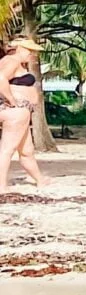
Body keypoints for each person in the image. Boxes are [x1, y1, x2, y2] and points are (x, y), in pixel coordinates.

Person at [0, 36, 45, 193]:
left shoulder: (10, 61)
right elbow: (0, 78)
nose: (32, 54)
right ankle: (1, 186)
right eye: (30, 50)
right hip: (16, 111)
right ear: (20, 48)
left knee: (26, 151)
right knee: (7, 149)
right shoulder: (11, 61)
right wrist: (12, 100)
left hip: (20, 111)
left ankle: (40, 180)